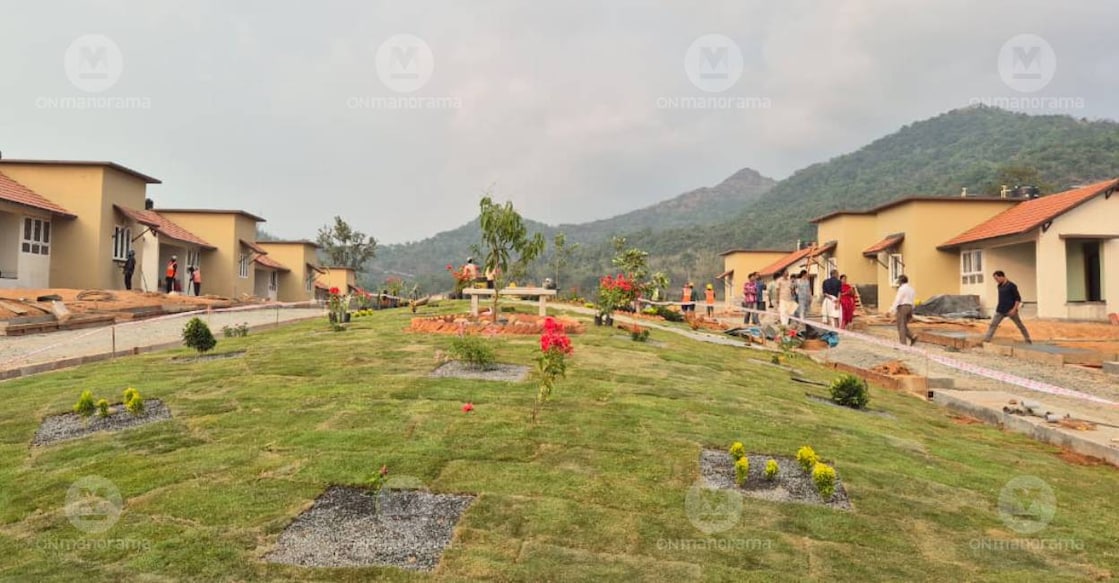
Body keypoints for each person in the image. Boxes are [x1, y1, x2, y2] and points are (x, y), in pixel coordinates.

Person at [982, 270, 1032, 344]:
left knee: (1019, 325)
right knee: (993, 324)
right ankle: (987, 339)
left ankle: (1027, 339)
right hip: (1000, 310)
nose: (996, 280)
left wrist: (1014, 309)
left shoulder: (1012, 286)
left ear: (1002, 276)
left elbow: (1018, 299)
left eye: (997, 278)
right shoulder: (999, 286)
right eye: (995, 279)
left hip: (1010, 310)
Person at [887, 274, 918, 345]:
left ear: (901, 281)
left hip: (903, 307)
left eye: (898, 281)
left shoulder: (901, 289)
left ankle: (903, 344)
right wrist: (912, 311)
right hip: (910, 307)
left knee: (901, 326)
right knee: (904, 325)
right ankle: (912, 336)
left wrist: (891, 310)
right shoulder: (911, 289)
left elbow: (898, 300)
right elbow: (913, 300)